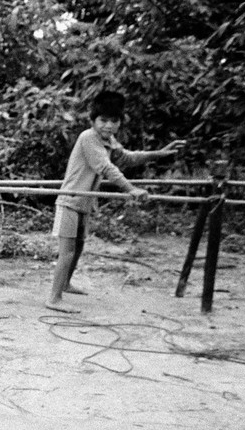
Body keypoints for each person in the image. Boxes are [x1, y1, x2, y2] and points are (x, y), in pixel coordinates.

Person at [45, 90, 185, 313]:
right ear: (93, 121)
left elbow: (128, 158)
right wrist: (131, 189)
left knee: (79, 247)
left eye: (114, 121)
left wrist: (159, 153)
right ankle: (54, 297)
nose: (108, 126)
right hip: (70, 200)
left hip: (86, 203)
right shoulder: (88, 137)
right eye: (103, 120)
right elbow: (106, 167)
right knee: (68, 251)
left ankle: (66, 283)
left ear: (119, 123)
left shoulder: (109, 141)